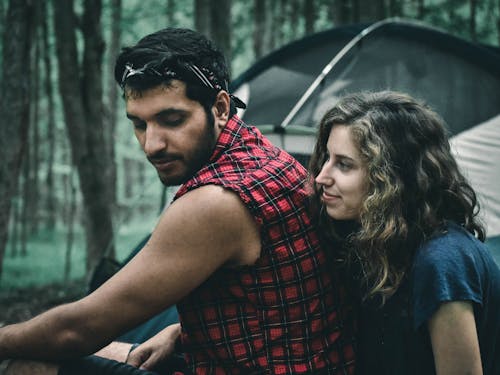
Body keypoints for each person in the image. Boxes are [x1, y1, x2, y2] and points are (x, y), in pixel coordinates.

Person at [0, 28, 355, 374]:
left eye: (172, 120)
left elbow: (77, 330)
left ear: (219, 107)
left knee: (30, 363)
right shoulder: (264, 156)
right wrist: (181, 333)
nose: (152, 144)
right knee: (116, 350)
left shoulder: (217, 201)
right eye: (139, 124)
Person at [309, 91, 500, 375]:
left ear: (392, 177)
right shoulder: (378, 244)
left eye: (344, 164)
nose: (321, 177)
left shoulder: (442, 261)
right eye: (327, 158)